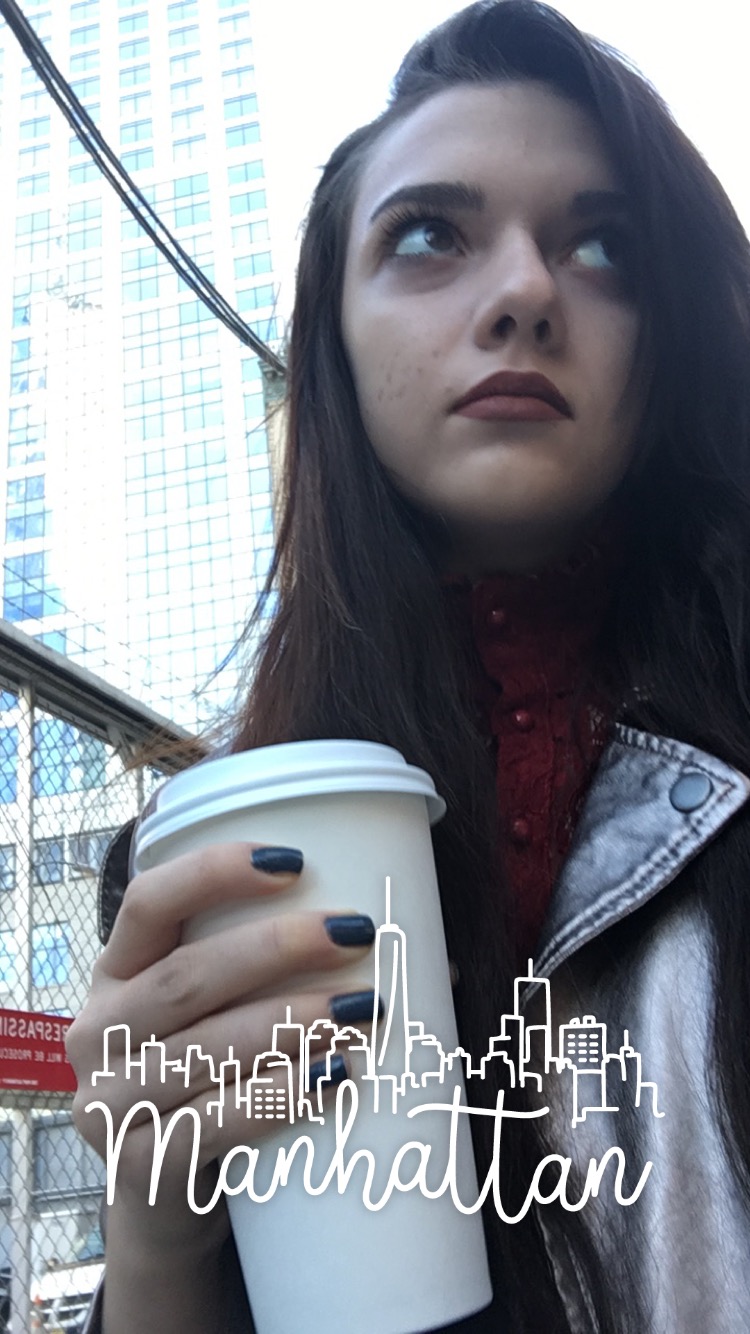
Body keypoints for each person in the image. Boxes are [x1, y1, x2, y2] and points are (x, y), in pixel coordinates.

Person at [69, 1, 750, 1330]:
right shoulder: (203, 869)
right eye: (429, 235)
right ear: (330, 341)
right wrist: (155, 1248)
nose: (526, 292)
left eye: (603, 245)